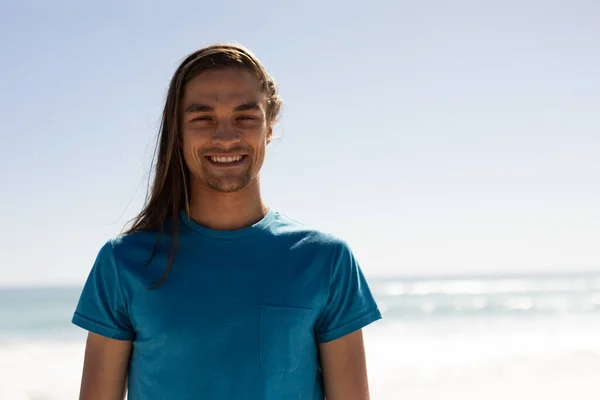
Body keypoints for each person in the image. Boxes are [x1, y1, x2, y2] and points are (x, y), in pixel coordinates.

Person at [72, 43, 382, 400]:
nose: (225, 137)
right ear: (178, 131)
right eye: (202, 118)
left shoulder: (326, 261)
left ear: (269, 127)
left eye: (245, 117)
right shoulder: (124, 262)